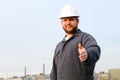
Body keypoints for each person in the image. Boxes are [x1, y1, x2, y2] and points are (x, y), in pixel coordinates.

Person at [50, 4, 101, 80]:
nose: (68, 23)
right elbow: (54, 71)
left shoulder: (85, 38)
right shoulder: (59, 46)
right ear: (61, 23)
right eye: (65, 20)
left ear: (78, 21)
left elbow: (95, 50)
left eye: (71, 19)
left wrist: (87, 54)